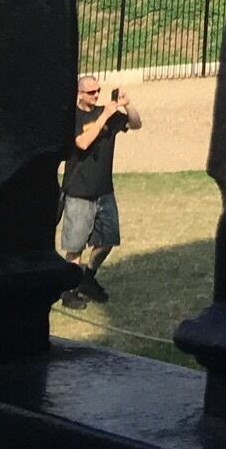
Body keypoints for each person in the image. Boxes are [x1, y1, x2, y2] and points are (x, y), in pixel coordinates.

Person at [58, 74, 142, 308]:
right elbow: (82, 143)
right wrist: (104, 115)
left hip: (104, 190)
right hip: (79, 192)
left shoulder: (108, 114)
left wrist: (128, 105)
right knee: (75, 247)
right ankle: (69, 291)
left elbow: (135, 124)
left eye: (98, 91)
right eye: (91, 92)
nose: (96, 96)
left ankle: (88, 278)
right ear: (80, 94)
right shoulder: (72, 117)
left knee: (107, 240)